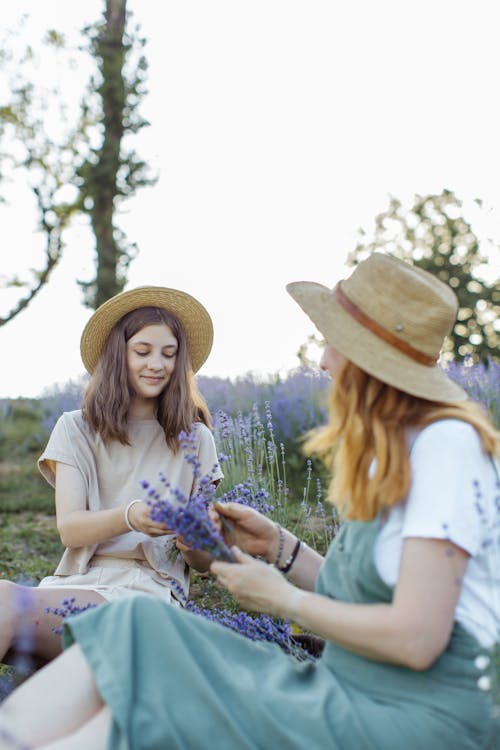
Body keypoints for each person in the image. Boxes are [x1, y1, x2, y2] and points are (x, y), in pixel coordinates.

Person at [1, 253, 499, 750]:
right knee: (133, 623)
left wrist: (284, 599)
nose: (323, 361)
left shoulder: (446, 448)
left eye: (332, 344)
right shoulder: (396, 452)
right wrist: (281, 547)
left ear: (368, 357)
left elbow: (416, 639)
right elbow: (372, 598)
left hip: (408, 716)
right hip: (350, 688)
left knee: (141, 661)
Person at [0, 285, 223, 666]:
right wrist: (130, 515)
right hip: (73, 588)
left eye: (169, 355)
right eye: (142, 351)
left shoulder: (195, 438)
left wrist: (195, 541)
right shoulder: (75, 428)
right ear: (119, 355)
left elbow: (203, 564)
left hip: (147, 598)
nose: (157, 364)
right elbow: (70, 529)